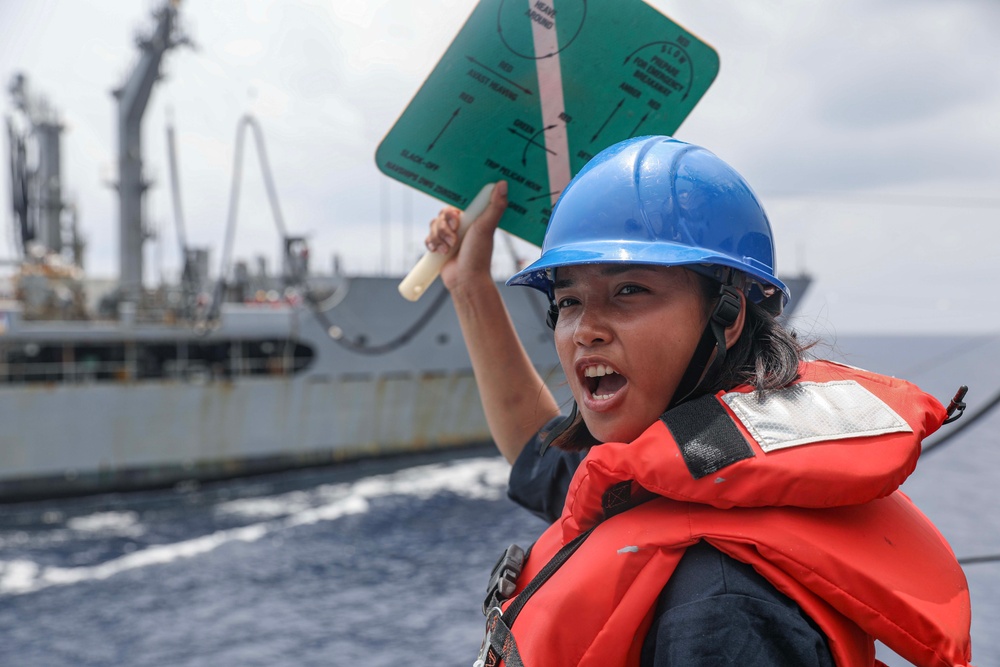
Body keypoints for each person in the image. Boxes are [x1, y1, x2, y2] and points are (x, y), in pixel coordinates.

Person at [424, 136, 974, 667]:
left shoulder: (722, 607)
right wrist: (470, 284)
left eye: (629, 291)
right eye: (568, 300)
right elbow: (539, 456)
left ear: (729, 316)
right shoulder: (672, 480)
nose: (586, 328)